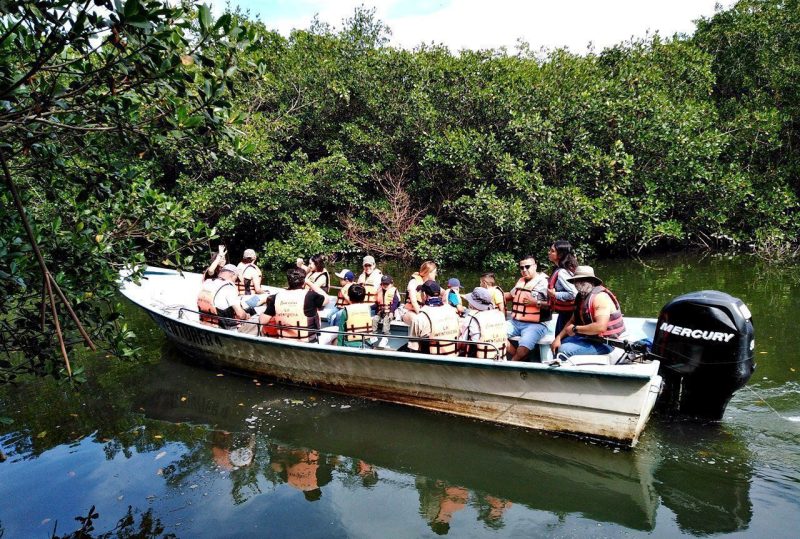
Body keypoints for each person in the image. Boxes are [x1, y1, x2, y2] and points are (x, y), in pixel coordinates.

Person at [550, 265, 625, 359]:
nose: (579, 284)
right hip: (591, 339)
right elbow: (572, 321)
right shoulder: (580, 298)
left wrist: (575, 329)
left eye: (583, 280)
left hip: (608, 343)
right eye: (576, 281)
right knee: (561, 343)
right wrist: (558, 338)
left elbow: (600, 327)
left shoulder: (600, 297)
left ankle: (565, 372)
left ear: (592, 281)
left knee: (564, 350)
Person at [259, 267, 331, 342]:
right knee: (336, 329)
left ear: (288, 281)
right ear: (304, 282)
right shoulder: (311, 296)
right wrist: (309, 282)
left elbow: (262, 321)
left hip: (284, 341)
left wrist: (261, 313)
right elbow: (326, 299)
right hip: (308, 342)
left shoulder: (276, 297)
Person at [504, 255, 550, 361]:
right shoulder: (521, 282)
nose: (524, 270)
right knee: (495, 333)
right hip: (515, 322)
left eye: (527, 266)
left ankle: (511, 366)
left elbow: (552, 304)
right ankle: (518, 358)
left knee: (523, 350)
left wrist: (535, 303)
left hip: (536, 324)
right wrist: (492, 295)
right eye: (521, 268)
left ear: (535, 266)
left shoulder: (544, 282)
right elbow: (510, 296)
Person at [197, 264, 258, 332]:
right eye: (236, 278)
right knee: (256, 318)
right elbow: (240, 314)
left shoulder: (208, 282)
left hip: (205, 322)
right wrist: (246, 316)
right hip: (223, 327)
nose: (235, 281)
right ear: (232, 275)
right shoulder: (229, 288)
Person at [408, 280, 460, 355]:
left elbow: (413, 347)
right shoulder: (453, 311)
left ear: (424, 295)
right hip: (454, 356)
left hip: (432, 361)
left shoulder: (420, 318)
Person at [459, 287, 508, 359]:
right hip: (500, 358)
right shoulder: (499, 315)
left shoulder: (471, 318)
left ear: (472, 303)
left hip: (478, 362)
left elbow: (462, 344)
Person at [547, 240, 578, 336]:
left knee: (560, 341)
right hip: (567, 313)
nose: (549, 252)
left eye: (552, 251)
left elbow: (574, 293)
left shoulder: (562, 272)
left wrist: (555, 294)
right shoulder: (566, 268)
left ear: (560, 255)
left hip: (568, 315)